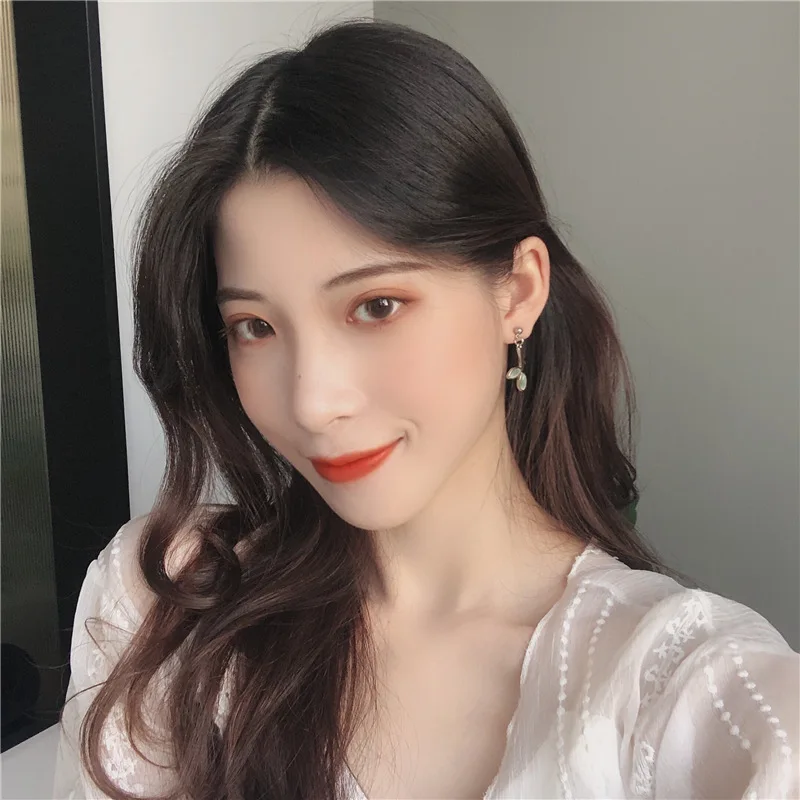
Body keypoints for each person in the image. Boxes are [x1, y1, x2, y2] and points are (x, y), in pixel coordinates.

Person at [52, 17, 798, 800]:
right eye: (255, 326)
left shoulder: (682, 689)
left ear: (518, 292)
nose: (313, 402)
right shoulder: (166, 603)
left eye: (376, 306)